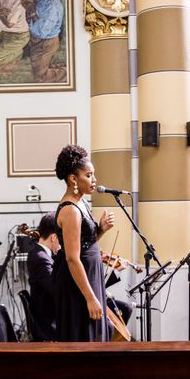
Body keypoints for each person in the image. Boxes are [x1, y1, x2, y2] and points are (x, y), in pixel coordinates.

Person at [52, 145, 115, 341]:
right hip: (77, 283)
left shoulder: (82, 203)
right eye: (89, 175)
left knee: (95, 332)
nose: (94, 180)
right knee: (83, 334)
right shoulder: (70, 209)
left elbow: (85, 244)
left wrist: (101, 230)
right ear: (73, 179)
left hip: (89, 275)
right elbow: (72, 258)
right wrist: (90, 298)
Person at [26, 212, 60, 341]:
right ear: (53, 237)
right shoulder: (41, 258)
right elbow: (56, 290)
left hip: (49, 315)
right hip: (49, 322)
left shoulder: (40, 254)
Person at [22, 0, 66, 83]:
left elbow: (41, 31)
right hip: (38, 40)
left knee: (40, 77)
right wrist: (29, 9)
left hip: (46, 42)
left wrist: (32, 12)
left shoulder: (53, 5)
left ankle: (67, 73)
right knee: (36, 68)